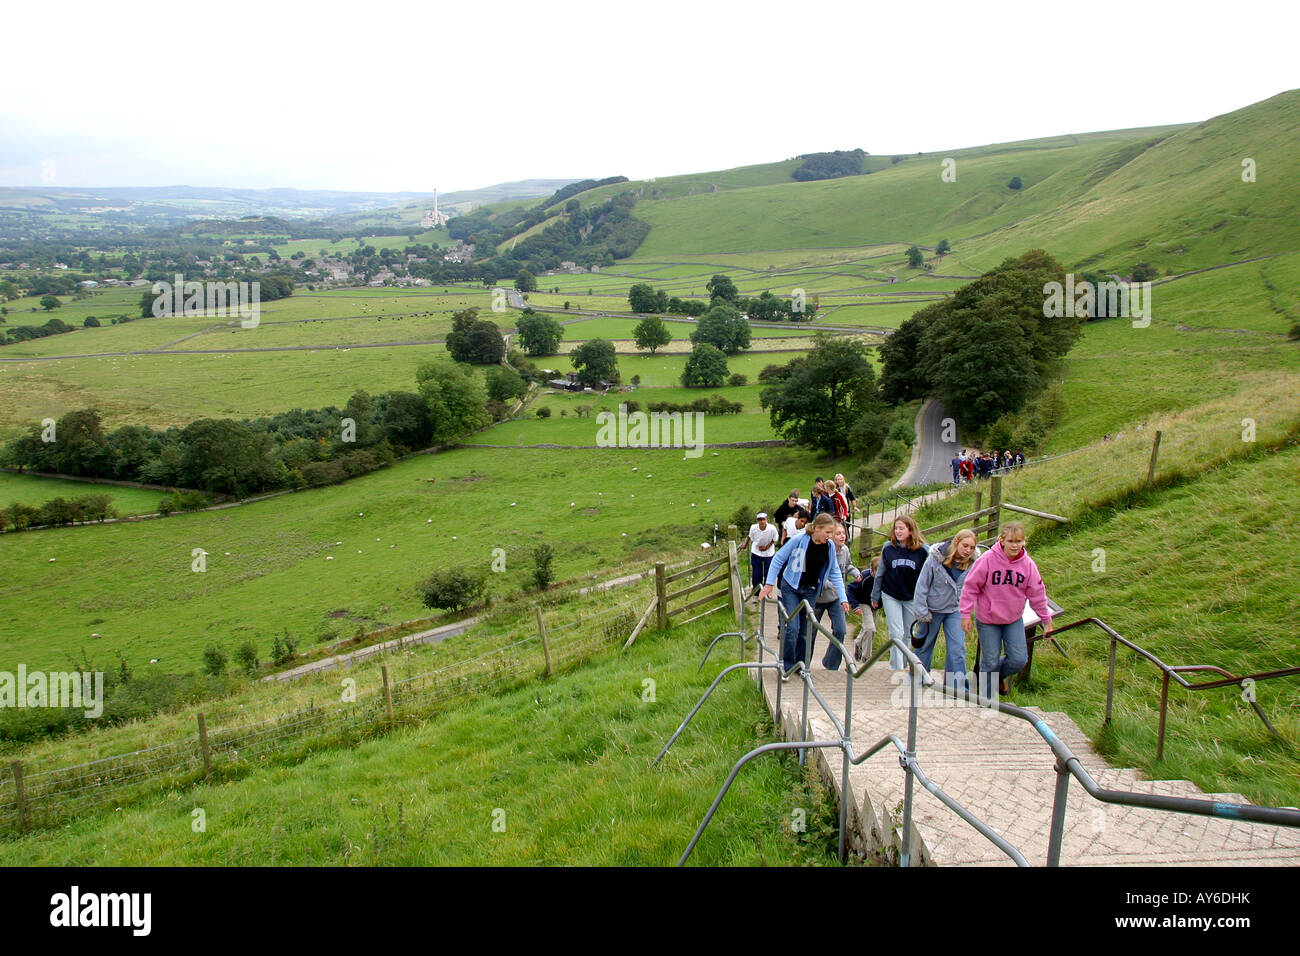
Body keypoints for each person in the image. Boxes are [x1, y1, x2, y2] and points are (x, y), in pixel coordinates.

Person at [959, 522, 1054, 698]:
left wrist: (1046, 621)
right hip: (988, 619)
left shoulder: (1028, 565)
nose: (1014, 545)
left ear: (1024, 542)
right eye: (1010, 541)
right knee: (990, 661)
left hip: (1013, 619)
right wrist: (966, 614)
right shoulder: (987, 560)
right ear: (1001, 540)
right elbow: (970, 586)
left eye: (1019, 541)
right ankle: (986, 701)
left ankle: (999, 676)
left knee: (1019, 660)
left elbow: (1038, 594)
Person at [761, 513, 850, 675]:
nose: (830, 537)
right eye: (828, 532)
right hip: (791, 587)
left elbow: (835, 572)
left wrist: (843, 598)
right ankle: (786, 665)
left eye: (832, 533)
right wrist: (769, 583)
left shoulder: (829, 547)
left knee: (805, 630)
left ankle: (801, 665)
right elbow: (778, 558)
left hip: (810, 590)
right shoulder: (800, 540)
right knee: (792, 628)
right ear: (816, 528)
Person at [912, 529, 981, 695]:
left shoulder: (974, 563)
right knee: (925, 644)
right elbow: (922, 585)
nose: (968, 550)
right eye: (965, 546)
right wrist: (922, 611)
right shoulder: (935, 558)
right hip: (932, 608)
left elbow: (977, 586)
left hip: (956, 608)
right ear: (956, 542)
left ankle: (956, 688)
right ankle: (918, 679)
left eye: (972, 547)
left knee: (957, 648)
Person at [870, 515, 928, 670]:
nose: (898, 531)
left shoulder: (922, 550)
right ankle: (897, 668)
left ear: (910, 530)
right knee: (896, 632)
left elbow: (929, 575)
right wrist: (875, 595)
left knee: (908, 633)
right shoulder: (888, 547)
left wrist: (927, 598)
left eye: (902, 528)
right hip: (891, 594)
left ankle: (903, 661)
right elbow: (880, 572)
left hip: (912, 595)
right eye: (896, 528)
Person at [813, 523, 858, 671]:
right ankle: (802, 662)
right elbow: (818, 574)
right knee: (810, 632)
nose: (842, 536)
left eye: (843, 533)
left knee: (840, 630)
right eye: (838, 534)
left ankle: (831, 663)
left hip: (836, 598)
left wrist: (856, 573)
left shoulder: (845, 550)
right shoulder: (823, 551)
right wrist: (829, 584)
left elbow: (847, 566)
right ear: (830, 536)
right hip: (818, 598)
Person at [741, 512, 780, 598]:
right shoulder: (753, 527)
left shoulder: (772, 528)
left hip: (768, 553)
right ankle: (756, 590)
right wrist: (745, 545)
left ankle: (767, 591)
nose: (762, 522)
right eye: (760, 520)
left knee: (768, 572)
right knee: (756, 572)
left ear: (767, 520)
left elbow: (775, 539)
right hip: (756, 551)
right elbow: (750, 537)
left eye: (763, 519)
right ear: (757, 520)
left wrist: (767, 547)